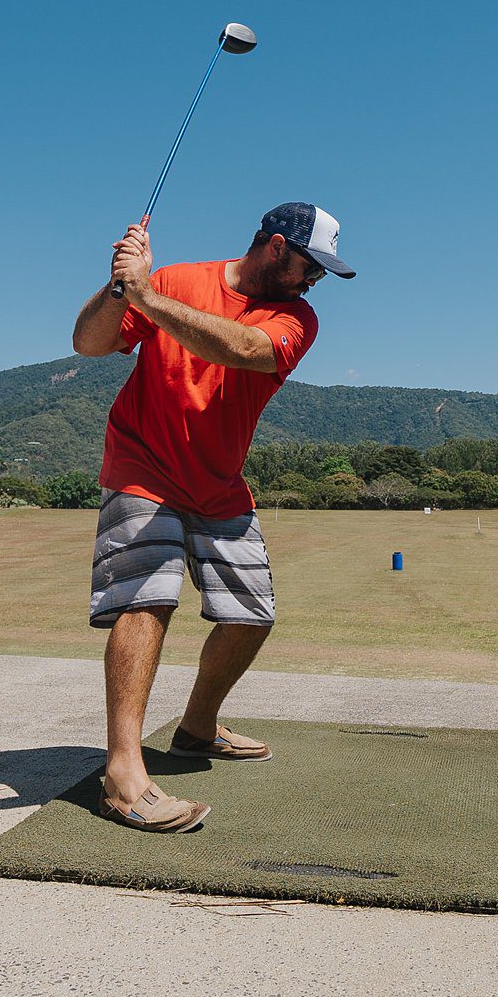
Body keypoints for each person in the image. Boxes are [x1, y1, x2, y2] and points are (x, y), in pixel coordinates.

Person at [70, 201, 354, 832]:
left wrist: (146, 294)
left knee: (252, 614)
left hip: (218, 481)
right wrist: (121, 288)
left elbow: (240, 348)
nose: (318, 281)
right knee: (147, 600)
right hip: (142, 467)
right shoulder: (172, 281)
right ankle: (122, 774)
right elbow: (88, 344)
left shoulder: (295, 317)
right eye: (313, 265)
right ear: (278, 246)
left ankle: (196, 728)